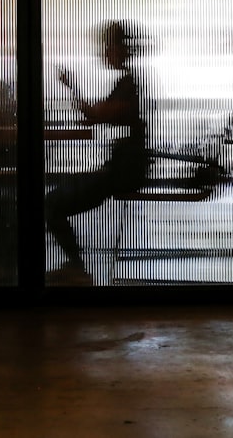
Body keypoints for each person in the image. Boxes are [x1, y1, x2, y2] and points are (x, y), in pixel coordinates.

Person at [45, 19, 155, 285]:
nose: (104, 53)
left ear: (121, 49)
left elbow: (97, 114)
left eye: (108, 46)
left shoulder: (131, 84)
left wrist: (71, 86)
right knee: (55, 199)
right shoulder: (129, 82)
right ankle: (75, 265)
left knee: (51, 204)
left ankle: (76, 267)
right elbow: (98, 115)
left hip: (122, 172)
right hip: (121, 169)